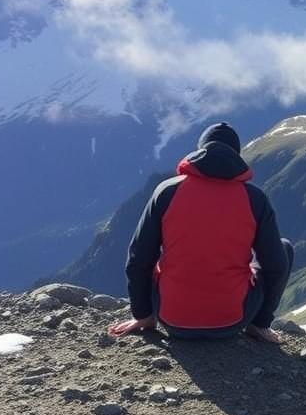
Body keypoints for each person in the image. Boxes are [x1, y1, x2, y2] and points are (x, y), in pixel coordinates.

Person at [108, 122, 293, 343]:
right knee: (283, 248)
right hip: (232, 321)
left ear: (200, 151)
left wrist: (143, 314)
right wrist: (262, 318)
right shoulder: (255, 199)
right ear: (236, 155)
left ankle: (153, 315)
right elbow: (275, 265)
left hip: (172, 320)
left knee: (154, 259)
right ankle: (258, 326)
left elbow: (138, 257)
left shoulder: (167, 191)